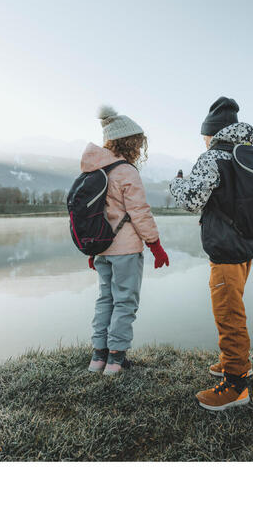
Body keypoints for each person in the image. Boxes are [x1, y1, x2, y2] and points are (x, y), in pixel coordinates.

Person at [169, 97, 253, 411]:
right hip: (248, 244)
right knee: (233, 304)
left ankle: (235, 385)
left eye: (204, 134)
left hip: (225, 248)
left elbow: (193, 201)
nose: (204, 140)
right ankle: (234, 362)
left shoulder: (213, 157)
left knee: (228, 313)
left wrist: (177, 184)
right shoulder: (247, 155)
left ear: (213, 132)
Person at [83, 105, 169, 375]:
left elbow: (89, 212)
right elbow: (140, 213)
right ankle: (116, 360)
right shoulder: (126, 171)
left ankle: (98, 357)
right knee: (125, 302)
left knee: (105, 299)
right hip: (125, 250)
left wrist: (90, 248)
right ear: (130, 142)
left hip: (101, 247)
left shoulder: (94, 169)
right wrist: (155, 245)